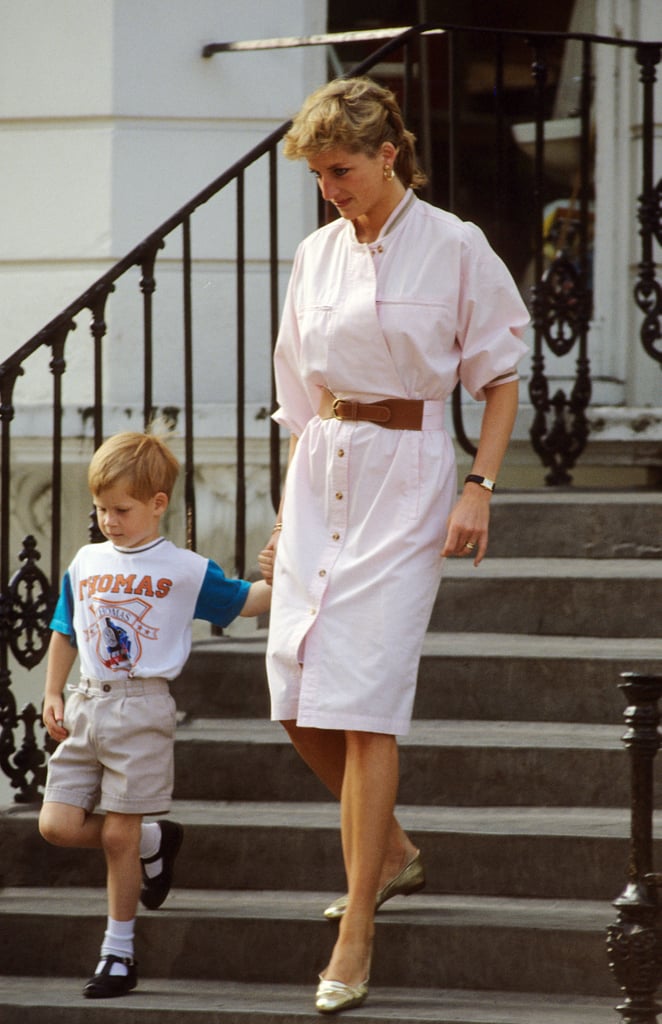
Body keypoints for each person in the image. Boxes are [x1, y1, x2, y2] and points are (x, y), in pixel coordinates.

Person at [257, 76, 529, 1015]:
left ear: (388, 155)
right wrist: (285, 516)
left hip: (409, 472)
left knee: (366, 701)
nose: (330, 187)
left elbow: (499, 375)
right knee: (295, 692)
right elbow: (298, 392)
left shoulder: (455, 246)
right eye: (318, 174)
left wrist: (480, 487)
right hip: (322, 470)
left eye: (341, 169)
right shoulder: (315, 255)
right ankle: (397, 850)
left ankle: (357, 925)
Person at [39, 429, 271, 999]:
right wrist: (52, 691)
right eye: (100, 509)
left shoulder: (184, 569)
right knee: (56, 826)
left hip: (142, 709)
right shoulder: (87, 559)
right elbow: (65, 627)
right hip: (87, 704)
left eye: (121, 510)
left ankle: (118, 954)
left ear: (157, 504)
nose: (108, 521)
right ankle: (152, 843)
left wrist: (291, 572)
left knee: (118, 830)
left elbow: (246, 601)